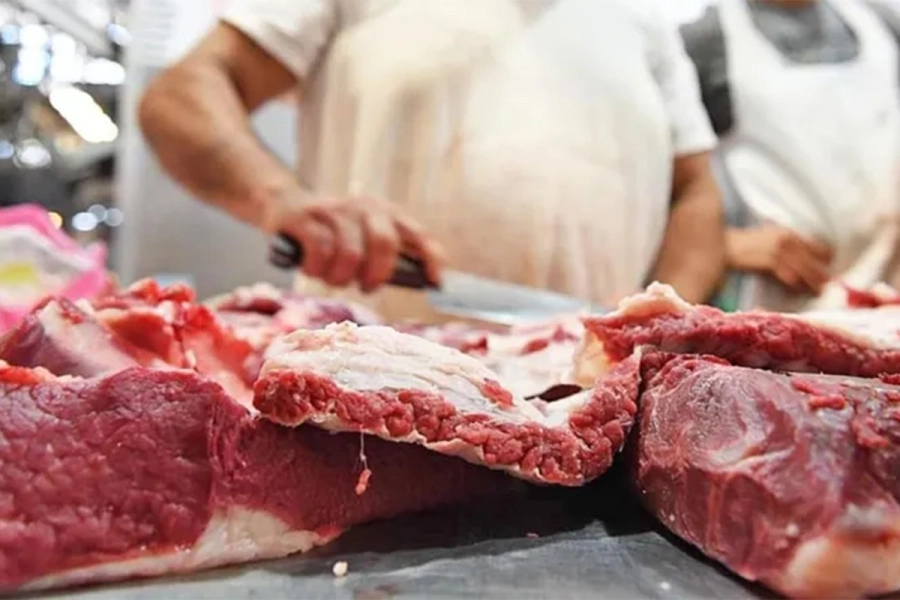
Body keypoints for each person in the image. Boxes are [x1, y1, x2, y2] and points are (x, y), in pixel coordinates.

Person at [138, 0, 725, 323]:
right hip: (375, 400)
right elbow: (184, 93)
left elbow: (695, 190)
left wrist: (660, 317)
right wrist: (280, 199)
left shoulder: (645, 19)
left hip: (591, 402)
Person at [682, 0, 900, 312]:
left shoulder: (883, 25)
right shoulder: (706, 40)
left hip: (884, 290)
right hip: (775, 302)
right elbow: (670, 188)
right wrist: (728, 244)